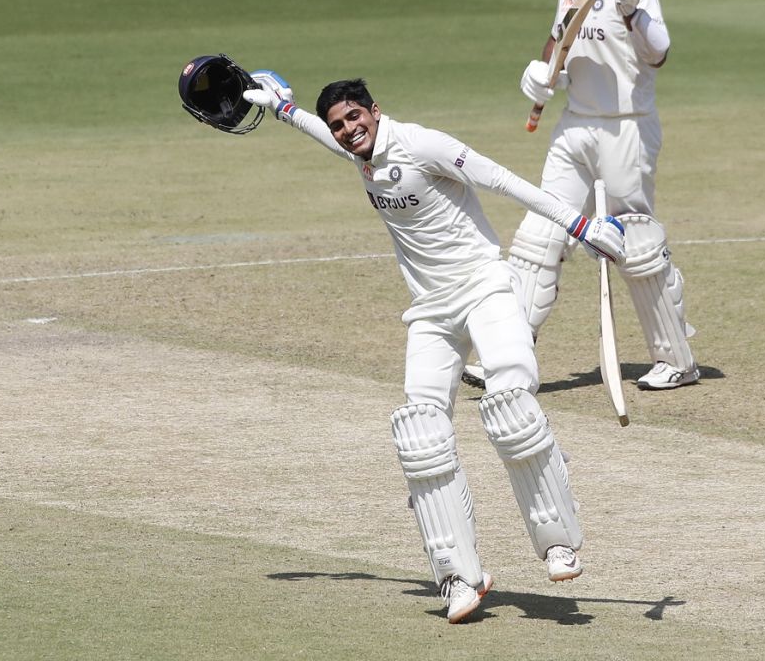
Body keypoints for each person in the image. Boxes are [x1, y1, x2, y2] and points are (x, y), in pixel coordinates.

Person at [241, 75, 625, 624]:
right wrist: (284, 109)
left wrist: (580, 225)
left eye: (355, 118)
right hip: (429, 308)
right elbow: (319, 133)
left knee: (511, 400)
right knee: (420, 433)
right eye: (339, 126)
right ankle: (458, 575)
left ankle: (557, 541)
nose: (349, 131)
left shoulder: (422, 144)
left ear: (375, 111)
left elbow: (503, 180)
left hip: (485, 286)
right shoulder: (359, 154)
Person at [467, 0, 699, 391]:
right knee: (539, 234)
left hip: (626, 127)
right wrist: (543, 74)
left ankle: (676, 358)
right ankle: (507, 358)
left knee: (634, 242)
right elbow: (561, 45)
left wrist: (633, 11)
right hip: (574, 125)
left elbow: (659, 52)